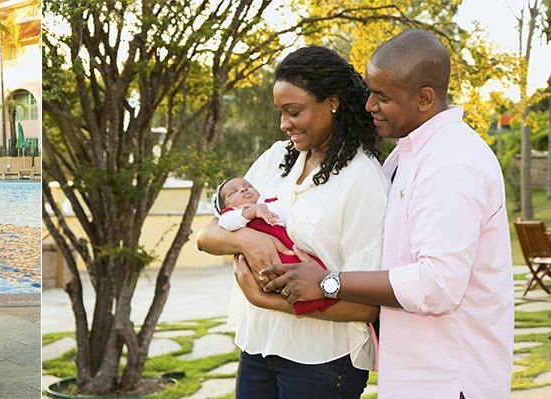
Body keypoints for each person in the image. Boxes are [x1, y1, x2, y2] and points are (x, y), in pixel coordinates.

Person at [262, 29, 514, 398]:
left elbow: (437, 284)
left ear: (424, 98)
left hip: (451, 380)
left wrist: (330, 281)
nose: (368, 106)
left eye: (382, 97)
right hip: (414, 373)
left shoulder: (452, 164)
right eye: (370, 92)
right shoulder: (407, 154)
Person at [196, 45, 389, 398]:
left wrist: (265, 298)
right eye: (280, 112)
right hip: (260, 344)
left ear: (332, 102)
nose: (284, 124)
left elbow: (366, 304)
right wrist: (247, 241)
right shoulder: (277, 158)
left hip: (322, 360)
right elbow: (209, 234)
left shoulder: (364, 181)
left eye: (294, 111)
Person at [214, 177, 338, 314]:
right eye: (233, 193)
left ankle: (323, 296)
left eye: (247, 185)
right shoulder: (232, 214)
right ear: (225, 207)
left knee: (307, 273)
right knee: (283, 280)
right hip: (262, 262)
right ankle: (308, 301)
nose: (243, 189)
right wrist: (251, 212)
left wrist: (263, 209)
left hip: (287, 249)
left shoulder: (270, 203)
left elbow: (286, 215)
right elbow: (225, 223)